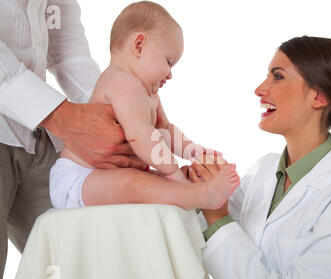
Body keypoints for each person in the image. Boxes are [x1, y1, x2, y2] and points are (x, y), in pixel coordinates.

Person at [189, 36, 331, 279]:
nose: (259, 89)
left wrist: (217, 216)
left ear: (319, 95)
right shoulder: (264, 172)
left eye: (277, 77)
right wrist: (192, 182)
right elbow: (198, 228)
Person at [0, 0, 148, 279]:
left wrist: (115, 111)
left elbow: (66, 47)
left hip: (37, 137)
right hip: (41, 119)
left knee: (80, 271)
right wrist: (65, 117)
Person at [49, 2, 240, 211]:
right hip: (77, 178)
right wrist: (173, 172)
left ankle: (182, 190)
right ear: (139, 45)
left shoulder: (148, 93)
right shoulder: (122, 83)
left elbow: (164, 130)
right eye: (168, 61)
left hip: (106, 176)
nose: (170, 74)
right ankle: (200, 195)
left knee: (144, 179)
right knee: (133, 183)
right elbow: (141, 135)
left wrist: (192, 150)